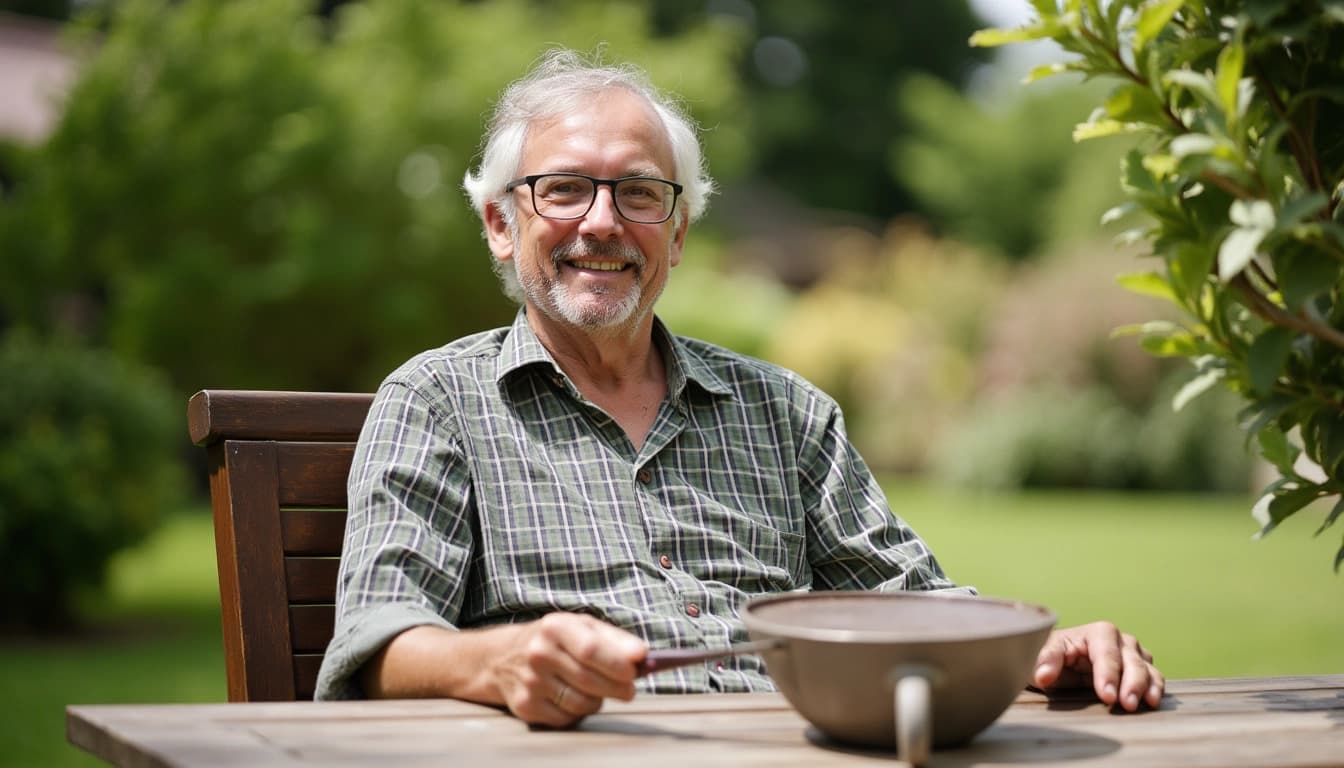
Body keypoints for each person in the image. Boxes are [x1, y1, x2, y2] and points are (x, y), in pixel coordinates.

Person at [314, 48, 1164, 726]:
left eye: (640, 194)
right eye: (565, 189)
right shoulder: (437, 403)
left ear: (677, 233)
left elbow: (914, 606)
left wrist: (1047, 647)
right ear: (503, 223)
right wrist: (498, 660)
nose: (603, 221)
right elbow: (379, 641)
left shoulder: (787, 413)